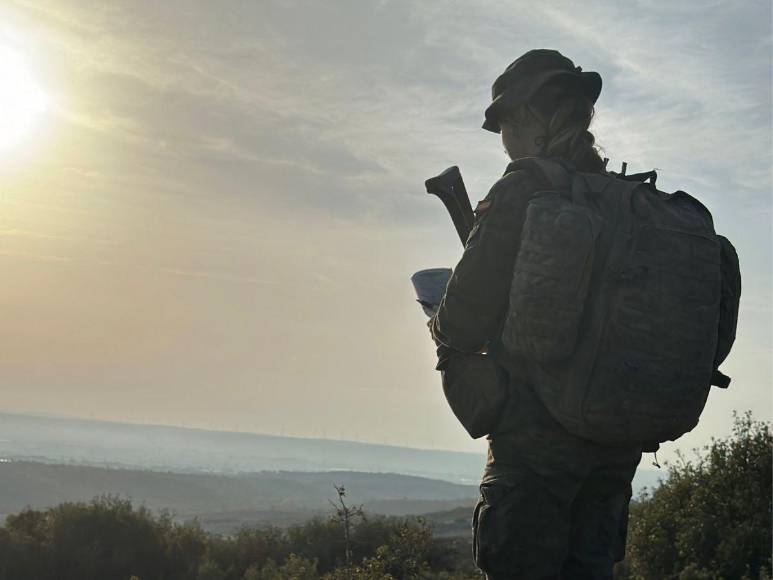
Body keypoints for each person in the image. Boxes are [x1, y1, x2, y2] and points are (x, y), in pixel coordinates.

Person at [429, 49, 642, 580]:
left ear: (525, 118)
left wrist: (438, 315)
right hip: (613, 453)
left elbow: (462, 322)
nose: (503, 140)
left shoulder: (524, 189)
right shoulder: (630, 203)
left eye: (502, 125)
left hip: (535, 452)